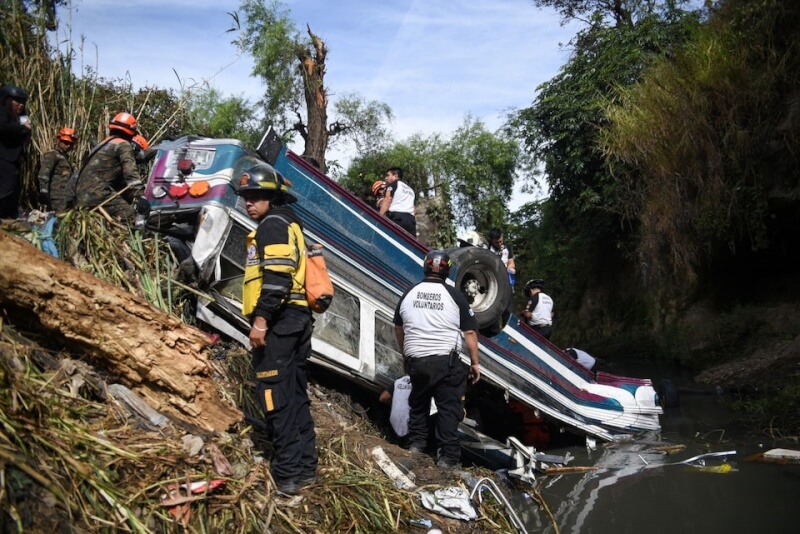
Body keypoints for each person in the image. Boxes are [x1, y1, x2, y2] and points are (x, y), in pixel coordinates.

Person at [238, 162, 317, 496]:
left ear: (272, 197)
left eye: (256, 196)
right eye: (246, 197)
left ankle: (286, 477)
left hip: (280, 323)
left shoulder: (272, 225)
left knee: (274, 397)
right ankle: (306, 469)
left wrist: (260, 322)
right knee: (296, 395)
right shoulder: (290, 224)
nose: (248, 202)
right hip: (297, 321)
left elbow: (277, 280)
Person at [394, 250, 480, 469]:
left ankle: (416, 445)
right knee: (448, 408)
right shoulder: (455, 296)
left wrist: (406, 354)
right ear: (448, 270)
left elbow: (398, 327)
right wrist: (475, 363)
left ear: (425, 267)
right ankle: (448, 458)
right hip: (446, 362)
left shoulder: (409, 293)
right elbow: (470, 333)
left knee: (419, 403)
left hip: (417, 361)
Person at [75, 112, 144, 222]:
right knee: (132, 218)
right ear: (131, 132)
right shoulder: (123, 145)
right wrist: (141, 196)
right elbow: (130, 173)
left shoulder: (102, 144)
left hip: (80, 194)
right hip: (97, 193)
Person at [0, 84, 32, 219]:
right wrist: (24, 129)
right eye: (17, 101)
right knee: (5, 190)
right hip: (3, 158)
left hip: (12, 160)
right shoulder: (2, 112)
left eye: (23, 102)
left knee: (13, 191)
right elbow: (4, 128)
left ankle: (9, 219)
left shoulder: (19, 117)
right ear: (6, 99)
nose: (21, 105)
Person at [37, 127, 77, 211]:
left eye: (70, 143)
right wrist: (43, 191)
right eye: (65, 142)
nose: (68, 145)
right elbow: (44, 173)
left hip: (65, 196)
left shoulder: (65, 157)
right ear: (58, 140)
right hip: (56, 197)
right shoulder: (53, 155)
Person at [379, 167, 416, 236]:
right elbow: (414, 209)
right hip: (411, 221)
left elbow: (387, 200)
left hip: (397, 219)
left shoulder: (393, 185)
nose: (385, 178)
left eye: (388, 175)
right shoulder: (411, 190)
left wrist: (379, 217)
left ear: (396, 176)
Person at [379, 374, 412, 440]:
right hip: (410, 430)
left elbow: (382, 398)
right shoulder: (422, 382)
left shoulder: (398, 380)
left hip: (393, 427)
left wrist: (395, 402)